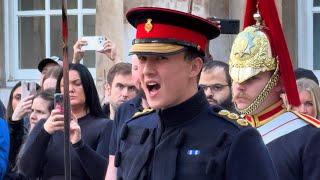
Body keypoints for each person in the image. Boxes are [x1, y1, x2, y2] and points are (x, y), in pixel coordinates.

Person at [110, 7, 278, 180]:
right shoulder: (133, 128)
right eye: (143, 58)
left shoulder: (235, 138)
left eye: (160, 59)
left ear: (194, 67)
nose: (146, 71)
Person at [229, 0, 320, 179]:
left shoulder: (309, 137)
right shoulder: (225, 129)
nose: (239, 86)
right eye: (235, 77)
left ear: (278, 81)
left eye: (252, 78)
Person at [18, 63, 113, 179]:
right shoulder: (46, 125)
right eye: (65, 85)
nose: (70, 89)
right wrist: (45, 132)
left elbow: (105, 174)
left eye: (77, 84)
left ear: (88, 87)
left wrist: (79, 145)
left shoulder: (104, 126)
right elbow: (26, 171)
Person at [105, 55, 150, 179]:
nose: (125, 94)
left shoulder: (163, 108)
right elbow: (113, 165)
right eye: (135, 68)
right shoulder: (123, 110)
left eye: (130, 88)